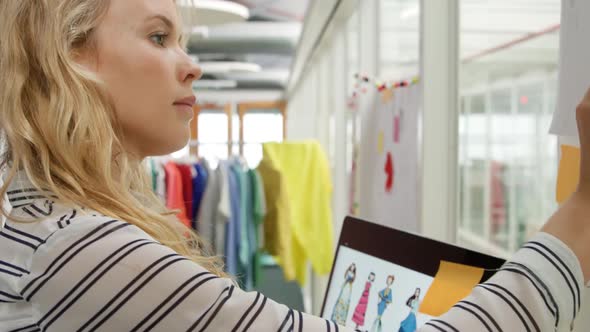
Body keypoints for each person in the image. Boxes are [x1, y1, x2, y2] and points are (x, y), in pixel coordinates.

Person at [0, 0, 588, 331]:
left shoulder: (39, 220)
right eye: (159, 37)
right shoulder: (83, 247)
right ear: (69, 58)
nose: (191, 67)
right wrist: (581, 212)